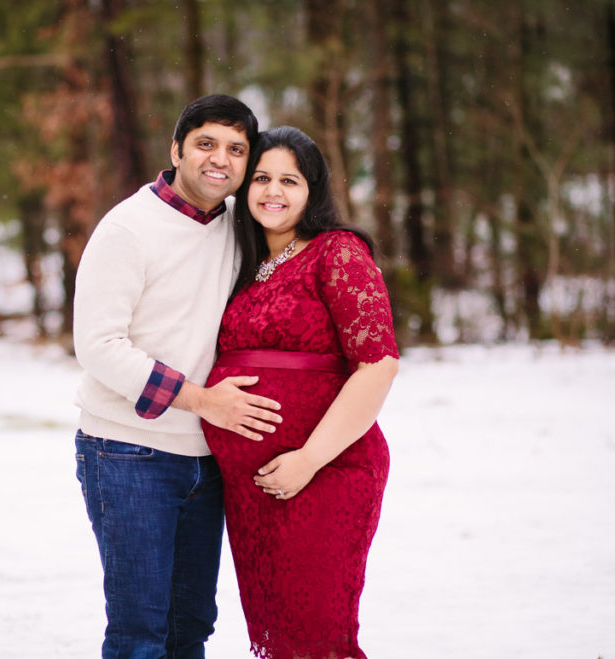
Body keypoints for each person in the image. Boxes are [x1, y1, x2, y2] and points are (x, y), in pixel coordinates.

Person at [72, 94, 283, 659]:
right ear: (176, 150)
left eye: (237, 149)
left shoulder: (241, 226)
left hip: (210, 459)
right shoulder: (128, 228)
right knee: (141, 633)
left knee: (190, 627)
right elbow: (98, 346)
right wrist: (200, 399)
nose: (221, 160)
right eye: (206, 144)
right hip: (127, 453)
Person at [201, 126, 400, 659]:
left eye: (289, 180)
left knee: (318, 638)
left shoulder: (337, 253)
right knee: (279, 637)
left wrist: (309, 459)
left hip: (327, 471)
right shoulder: (241, 267)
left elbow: (378, 366)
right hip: (252, 489)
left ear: (313, 189)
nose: (273, 191)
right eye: (261, 178)